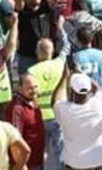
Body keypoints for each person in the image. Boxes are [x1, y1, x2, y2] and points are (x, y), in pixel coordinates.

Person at [54, 72, 102, 170]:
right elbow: (97, 88)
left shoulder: (64, 109)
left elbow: (56, 100)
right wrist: (83, 75)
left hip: (75, 164)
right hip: (101, 162)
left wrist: (64, 78)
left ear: (72, 91)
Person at [28, 38, 67, 170]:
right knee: (60, 150)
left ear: (37, 52)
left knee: (42, 152)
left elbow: (29, 95)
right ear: (52, 51)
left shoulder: (32, 71)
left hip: (40, 117)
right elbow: (66, 47)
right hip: (58, 115)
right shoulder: (60, 64)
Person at [8, 75, 47, 170]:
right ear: (20, 88)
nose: (34, 91)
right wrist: (22, 166)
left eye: (35, 87)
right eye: (29, 88)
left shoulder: (33, 101)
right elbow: (15, 141)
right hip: (26, 165)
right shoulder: (17, 109)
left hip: (37, 161)